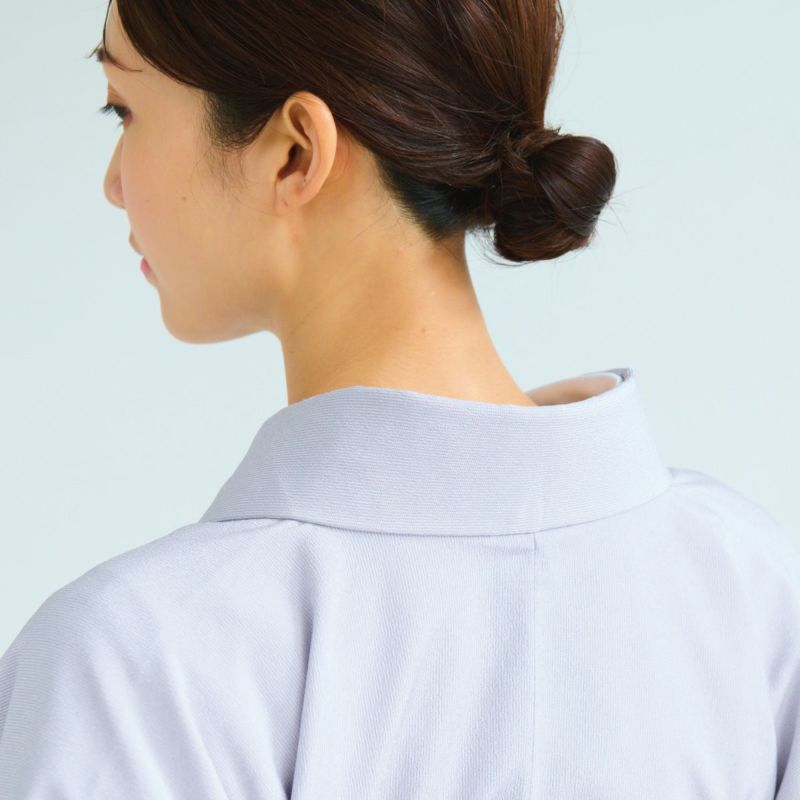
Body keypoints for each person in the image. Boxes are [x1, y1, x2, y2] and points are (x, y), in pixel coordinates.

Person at [1, 0, 797, 797]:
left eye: (124, 110)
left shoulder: (140, 664)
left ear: (294, 153)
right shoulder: (746, 582)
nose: (112, 184)